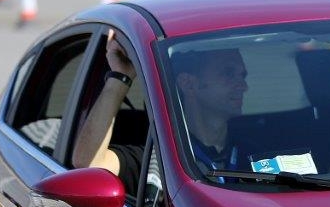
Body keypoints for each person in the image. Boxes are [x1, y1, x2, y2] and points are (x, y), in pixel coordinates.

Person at [73, 33, 249, 187]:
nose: (243, 86)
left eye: (242, 75)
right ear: (188, 83)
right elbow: (87, 163)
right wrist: (120, 75)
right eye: (228, 73)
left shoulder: (254, 151)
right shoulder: (158, 160)